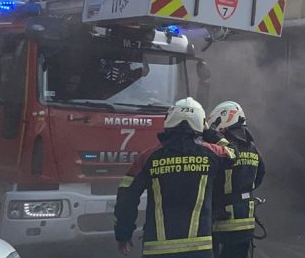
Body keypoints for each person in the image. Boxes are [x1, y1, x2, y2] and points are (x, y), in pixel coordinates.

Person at [114, 97, 236, 257]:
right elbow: (232, 152)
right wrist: (208, 132)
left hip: (158, 250)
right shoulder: (211, 154)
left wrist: (123, 233)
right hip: (199, 250)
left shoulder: (148, 157)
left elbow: (126, 197)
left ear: (169, 121)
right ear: (200, 123)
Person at [204, 101, 266, 258]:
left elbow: (209, 179)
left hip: (222, 221)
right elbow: (261, 174)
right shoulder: (253, 148)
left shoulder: (224, 148)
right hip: (246, 220)